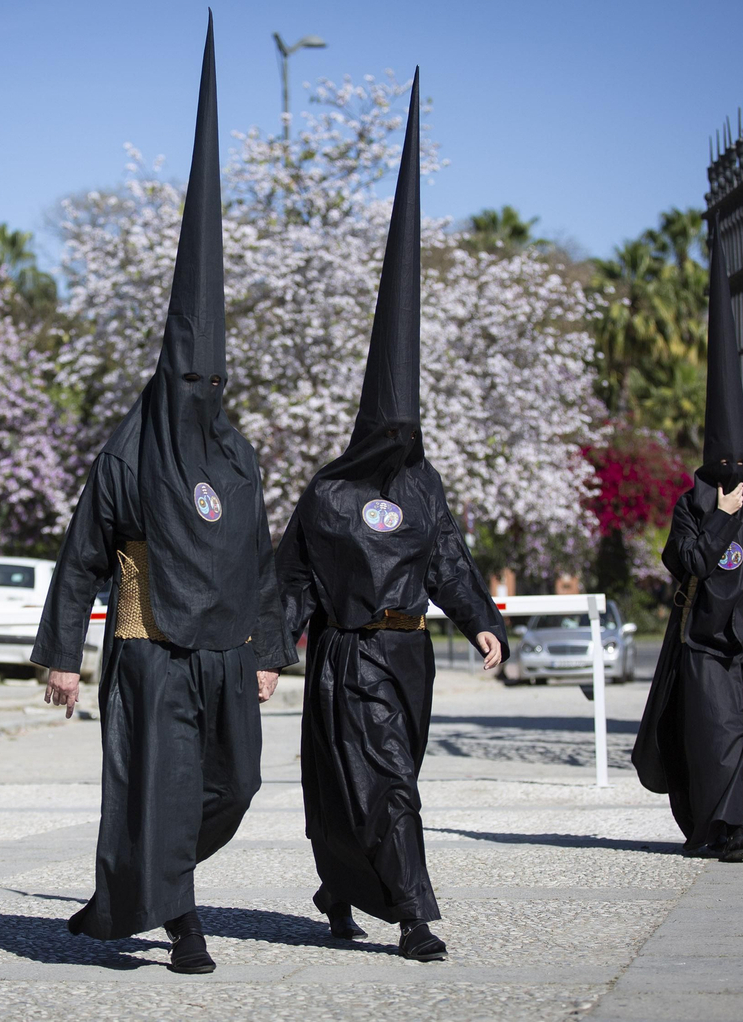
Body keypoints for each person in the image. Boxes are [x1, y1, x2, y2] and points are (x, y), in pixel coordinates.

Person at [31, 15, 295, 976]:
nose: (200, 400)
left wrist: (268, 650)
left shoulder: (237, 456)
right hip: (148, 649)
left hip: (228, 655)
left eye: (209, 386)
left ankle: (126, 892)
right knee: (164, 787)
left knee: (239, 782)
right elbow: (79, 556)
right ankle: (182, 925)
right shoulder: (128, 453)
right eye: (189, 383)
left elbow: (261, 561)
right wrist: (62, 653)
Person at [276, 72, 505, 962]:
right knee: (384, 781)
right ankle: (413, 913)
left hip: (410, 653)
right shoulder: (330, 493)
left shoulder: (424, 484)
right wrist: (272, 652)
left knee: (375, 775)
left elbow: (448, 559)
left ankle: (338, 885)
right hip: (348, 653)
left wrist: (481, 621)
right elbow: (292, 577)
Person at [631, 234, 743, 863]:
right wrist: (720, 522)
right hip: (704, 639)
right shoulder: (694, 506)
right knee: (719, 733)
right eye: (724, 467)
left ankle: (715, 826)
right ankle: (726, 831)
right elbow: (687, 562)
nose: (734, 476)